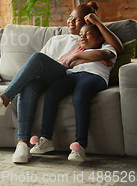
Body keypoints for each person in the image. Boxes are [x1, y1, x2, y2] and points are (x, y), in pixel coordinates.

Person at [0, 1, 123, 163]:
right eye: (70, 17)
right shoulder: (56, 39)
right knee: (30, 83)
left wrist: (80, 56)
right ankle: (23, 144)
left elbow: (109, 52)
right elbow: (38, 64)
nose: (71, 21)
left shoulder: (87, 40)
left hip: (64, 75)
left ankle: (4, 99)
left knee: (38, 58)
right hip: (48, 74)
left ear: (87, 23)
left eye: (77, 19)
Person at [30, 23, 116, 162]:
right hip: (72, 75)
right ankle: (46, 138)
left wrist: (79, 56)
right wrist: (85, 57)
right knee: (51, 93)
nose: (82, 36)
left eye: (88, 33)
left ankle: (80, 146)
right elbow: (71, 64)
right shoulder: (77, 50)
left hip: (94, 76)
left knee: (79, 97)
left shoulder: (107, 47)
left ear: (99, 39)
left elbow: (102, 54)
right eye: (81, 34)